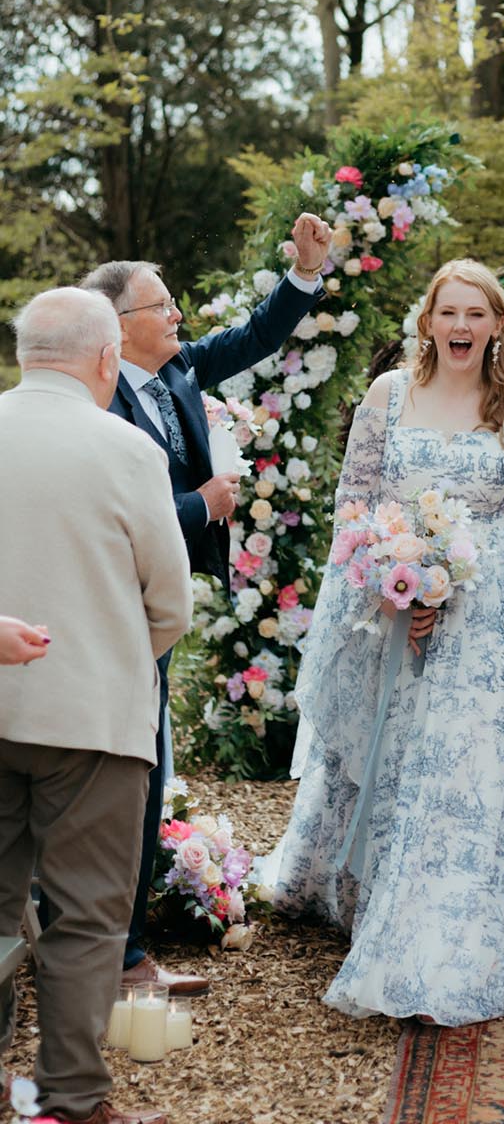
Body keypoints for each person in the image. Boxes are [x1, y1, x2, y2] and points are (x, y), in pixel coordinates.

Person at [272, 259, 504, 1025]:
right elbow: (355, 502)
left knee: (469, 763)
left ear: (498, 325)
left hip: (495, 615)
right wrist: (385, 582)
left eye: (476, 313)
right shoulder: (388, 394)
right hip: (396, 605)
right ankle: (379, 895)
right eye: (449, 312)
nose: (461, 326)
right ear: (428, 323)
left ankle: (463, 925)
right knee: (401, 757)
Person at [80, 210, 330, 996]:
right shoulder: (98, 403)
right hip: (114, 609)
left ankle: (124, 951)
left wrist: (304, 274)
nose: (177, 313)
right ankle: (117, 959)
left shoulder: (180, 367)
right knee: (127, 771)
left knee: (147, 765)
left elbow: (254, 337)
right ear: (117, 324)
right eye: (161, 305)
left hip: (159, 603)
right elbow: (109, 512)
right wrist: (203, 506)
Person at [0, 288, 191, 1124]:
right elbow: (170, 602)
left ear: (24, 354)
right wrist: (115, 659)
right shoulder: (126, 449)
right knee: (85, 914)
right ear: (109, 357)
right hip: (92, 720)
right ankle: (70, 1100)